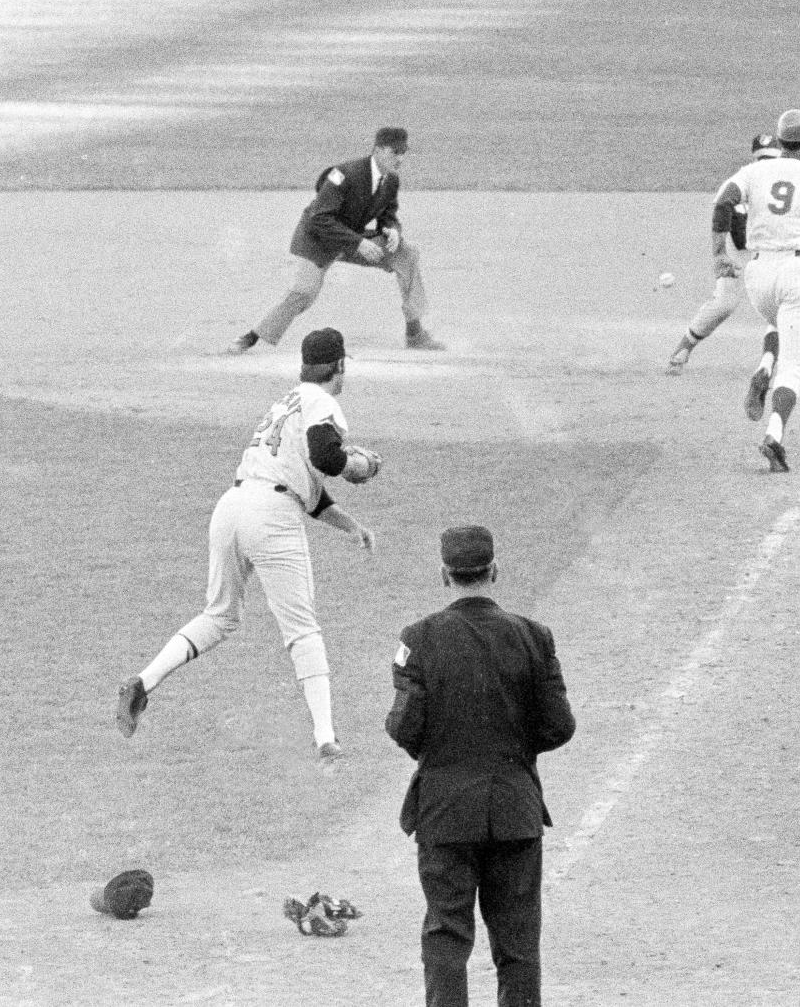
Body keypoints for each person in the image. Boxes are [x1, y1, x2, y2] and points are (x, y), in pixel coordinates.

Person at [116, 328, 379, 763]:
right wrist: (358, 465)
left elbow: (303, 484)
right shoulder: (322, 401)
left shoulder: (286, 402)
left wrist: (349, 524)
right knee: (302, 630)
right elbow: (326, 459)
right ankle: (327, 739)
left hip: (232, 506)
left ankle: (142, 683)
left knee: (219, 616)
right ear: (339, 366)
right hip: (270, 515)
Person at [385, 526, 576, 1007]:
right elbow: (559, 726)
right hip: (515, 809)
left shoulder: (418, 639)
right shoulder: (534, 636)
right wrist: (513, 751)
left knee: (446, 936)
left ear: (445, 576)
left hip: (445, 813)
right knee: (518, 943)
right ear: (494, 571)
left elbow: (405, 727)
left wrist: (445, 752)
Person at [226, 126, 444, 354]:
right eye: (395, 152)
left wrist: (392, 230)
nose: (400, 158)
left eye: (403, 152)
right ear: (378, 150)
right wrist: (359, 243)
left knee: (406, 254)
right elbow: (319, 217)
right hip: (318, 241)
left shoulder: (391, 181)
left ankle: (415, 333)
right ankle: (251, 338)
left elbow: (387, 216)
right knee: (304, 292)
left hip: (350, 240)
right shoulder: (344, 174)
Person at [712, 108, 800, 472]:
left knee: (783, 324)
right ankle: (774, 435)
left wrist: (718, 256)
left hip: (758, 277)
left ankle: (765, 364)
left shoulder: (753, 171)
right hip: (797, 275)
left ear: (781, 141)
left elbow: (723, 202)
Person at [666, 132, 800, 375]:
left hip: (765, 248)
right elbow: (741, 238)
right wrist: (722, 255)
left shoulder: (754, 177)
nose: (764, 162)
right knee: (727, 303)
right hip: (743, 248)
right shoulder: (754, 179)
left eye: (769, 157)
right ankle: (684, 349)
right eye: (760, 158)